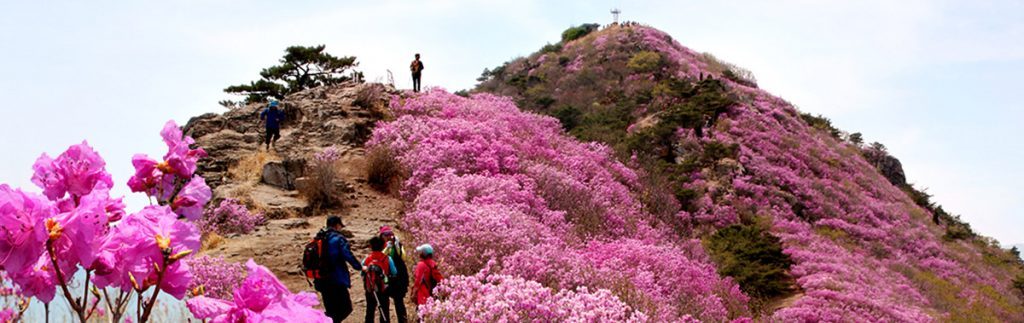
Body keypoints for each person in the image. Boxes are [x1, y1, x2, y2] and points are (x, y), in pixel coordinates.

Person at [316, 216, 362, 323]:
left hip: (321, 280)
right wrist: (359, 267)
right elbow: (347, 255)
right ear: (336, 225)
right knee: (346, 308)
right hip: (336, 280)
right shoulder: (338, 239)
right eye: (340, 225)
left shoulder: (319, 238)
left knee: (331, 310)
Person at [363, 236, 397, 323]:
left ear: (371, 246)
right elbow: (394, 272)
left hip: (370, 288)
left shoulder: (367, 259)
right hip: (383, 288)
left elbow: (362, 272)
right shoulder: (387, 258)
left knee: (370, 310)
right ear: (383, 246)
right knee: (384, 310)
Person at [379, 226, 409, 323]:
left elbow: (403, 257)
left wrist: (397, 246)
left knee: (399, 301)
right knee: (384, 303)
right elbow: (379, 258)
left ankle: (403, 320)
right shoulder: (380, 246)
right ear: (381, 236)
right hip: (384, 277)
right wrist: (387, 249)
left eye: (390, 234)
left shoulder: (398, 244)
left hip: (398, 278)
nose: (388, 237)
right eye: (386, 235)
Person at [412, 244, 443, 308]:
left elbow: (418, 280)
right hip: (431, 292)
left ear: (423, 254)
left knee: (421, 312)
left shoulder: (421, 265)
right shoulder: (433, 263)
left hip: (423, 292)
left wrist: (414, 292)